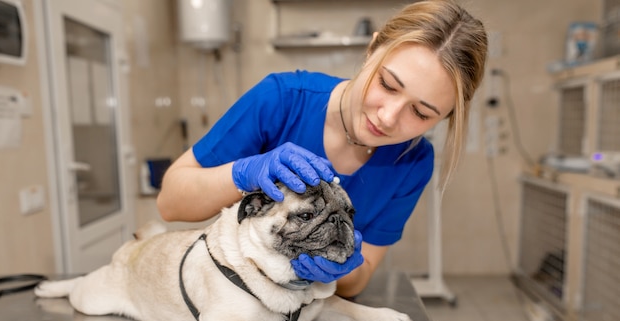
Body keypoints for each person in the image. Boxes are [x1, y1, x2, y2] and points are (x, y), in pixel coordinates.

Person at [157, 0, 488, 298]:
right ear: (371, 50)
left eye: (420, 113)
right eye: (387, 84)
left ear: (444, 118)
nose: (387, 117)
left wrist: (344, 265)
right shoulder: (281, 99)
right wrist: (244, 173)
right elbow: (170, 203)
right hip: (227, 295)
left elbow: (359, 279)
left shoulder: (412, 162)